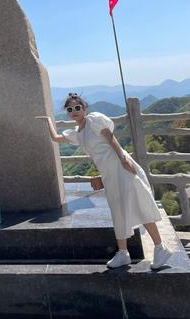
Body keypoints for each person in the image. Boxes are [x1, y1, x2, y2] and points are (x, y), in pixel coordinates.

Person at [36, 92, 173, 270]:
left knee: (139, 205)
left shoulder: (94, 120)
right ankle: (123, 253)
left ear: (84, 109)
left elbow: (110, 138)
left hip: (122, 167)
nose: (74, 111)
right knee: (117, 211)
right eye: (70, 109)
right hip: (109, 174)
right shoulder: (79, 133)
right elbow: (56, 138)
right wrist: (48, 119)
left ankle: (160, 247)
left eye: (78, 107)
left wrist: (124, 158)